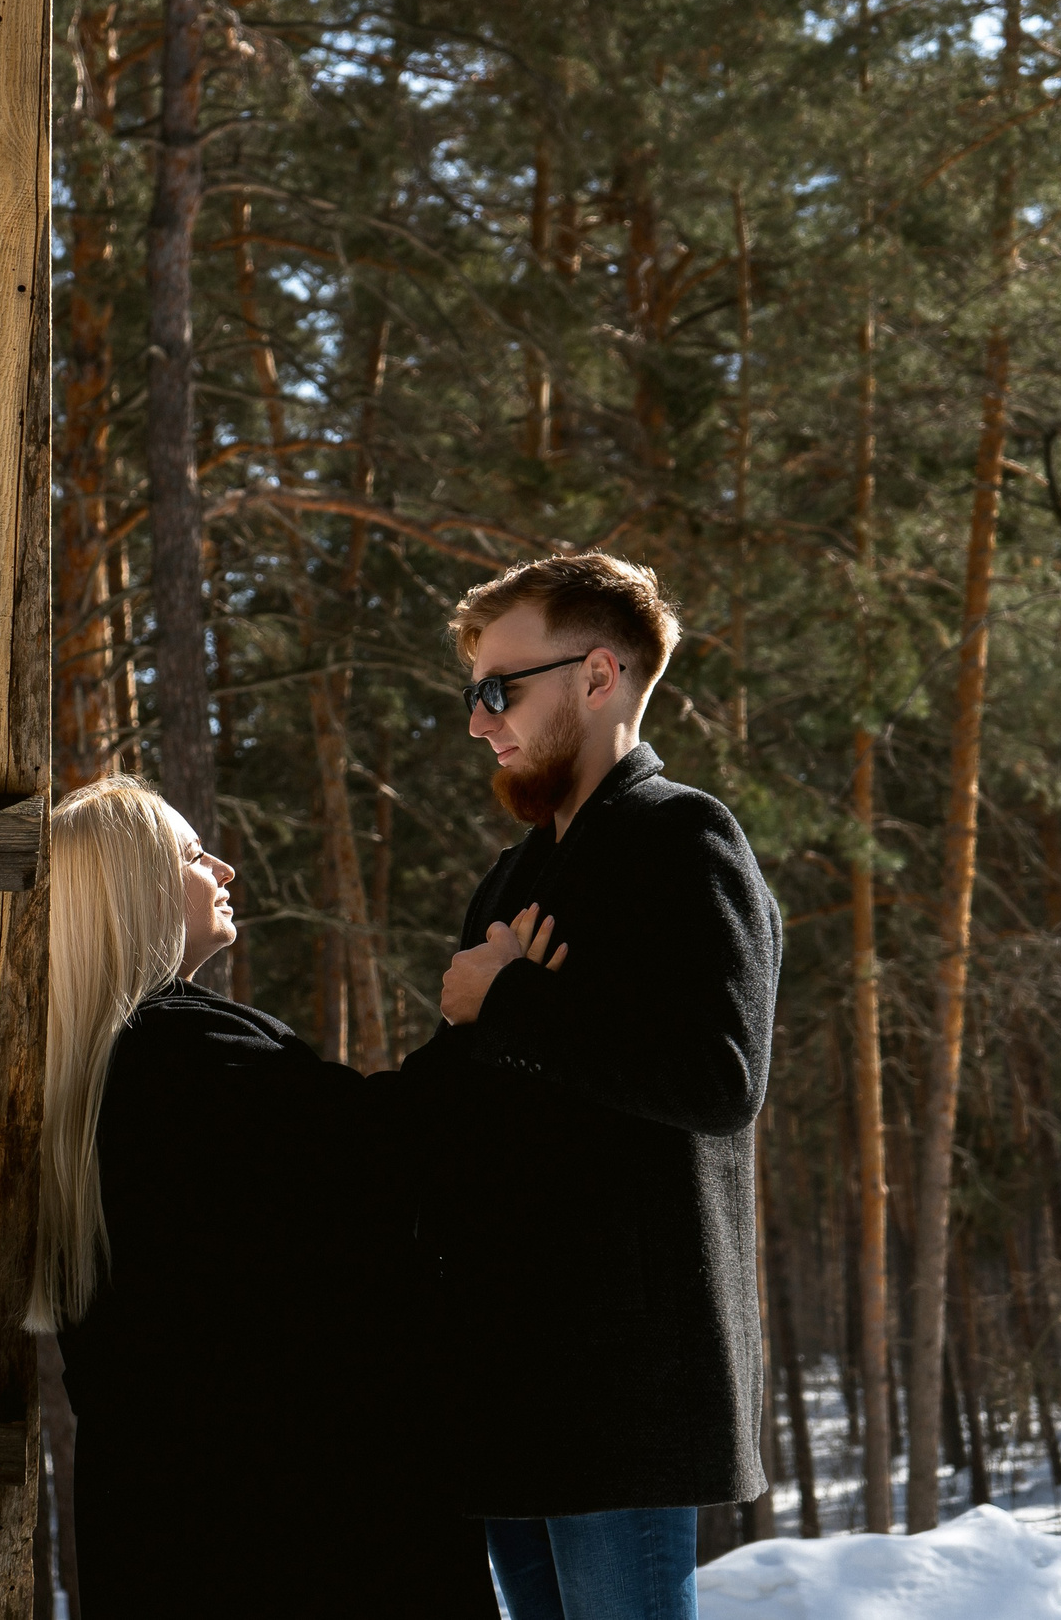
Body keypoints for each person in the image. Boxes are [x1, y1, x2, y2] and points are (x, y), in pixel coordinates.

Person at [406, 553, 781, 1620]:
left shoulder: (683, 838)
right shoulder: (512, 877)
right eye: (472, 693)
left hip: (623, 1394)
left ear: (600, 676)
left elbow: (719, 1078)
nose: (479, 723)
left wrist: (507, 1003)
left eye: (499, 690)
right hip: (507, 1383)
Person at [30, 777, 503, 1618]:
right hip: (288, 1530)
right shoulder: (180, 1058)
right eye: (186, 851)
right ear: (131, 889)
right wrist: (481, 1018)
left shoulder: (101, 1074)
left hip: (173, 1532)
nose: (223, 865)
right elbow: (389, 1158)